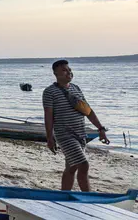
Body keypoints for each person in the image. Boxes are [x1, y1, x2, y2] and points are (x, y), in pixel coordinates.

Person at [43, 60, 110, 191]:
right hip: (65, 135)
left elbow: (88, 111)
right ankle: (89, 197)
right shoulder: (49, 92)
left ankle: (64, 195)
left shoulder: (76, 88)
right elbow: (48, 116)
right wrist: (49, 138)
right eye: (64, 70)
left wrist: (100, 129)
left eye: (69, 69)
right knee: (83, 164)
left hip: (80, 135)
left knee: (71, 167)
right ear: (55, 73)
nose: (68, 72)